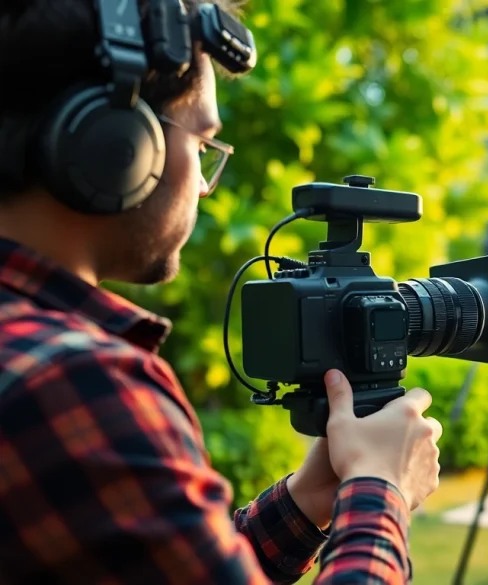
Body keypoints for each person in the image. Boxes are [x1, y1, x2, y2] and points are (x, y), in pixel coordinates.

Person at [0, 1, 441, 583]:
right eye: (203, 143)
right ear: (119, 147)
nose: (205, 188)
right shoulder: (71, 381)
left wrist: (310, 497)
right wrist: (381, 489)